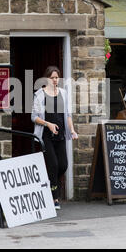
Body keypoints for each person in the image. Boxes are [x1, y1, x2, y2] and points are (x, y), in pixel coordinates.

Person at [31, 66, 78, 210]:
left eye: (57, 77)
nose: (55, 80)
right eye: (52, 77)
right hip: (46, 136)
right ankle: (54, 198)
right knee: (53, 165)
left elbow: (68, 115)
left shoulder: (63, 93)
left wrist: (72, 130)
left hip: (61, 135)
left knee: (63, 165)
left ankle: (50, 184)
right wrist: (48, 124)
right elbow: (34, 117)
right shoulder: (40, 94)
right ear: (46, 79)